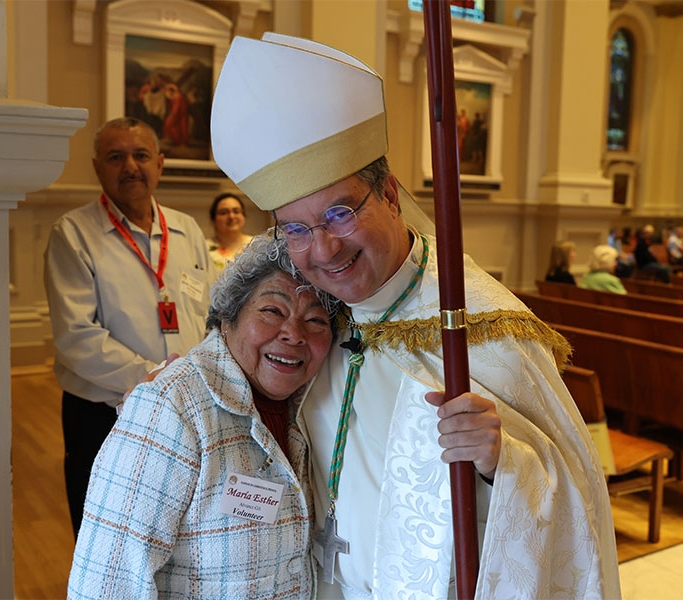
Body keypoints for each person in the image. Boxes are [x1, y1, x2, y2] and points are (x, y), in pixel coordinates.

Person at [210, 33, 620, 599]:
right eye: (297, 228)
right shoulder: (315, 314)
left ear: (391, 196)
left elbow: (574, 495)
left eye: (340, 211)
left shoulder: (481, 323)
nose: (324, 249)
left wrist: (501, 459)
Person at [68, 234, 338, 598]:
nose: (293, 333)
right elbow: (106, 581)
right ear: (228, 318)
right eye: (272, 311)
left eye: (317, 320)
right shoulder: (171, 408)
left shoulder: (312, 406)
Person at [44, 117, 216, 536]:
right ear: (97, 167)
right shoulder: (73, 234)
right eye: (115, 157)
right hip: (106, 414)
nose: (130, 167)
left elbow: (214, 310)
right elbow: (76, 336)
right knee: (106, 531)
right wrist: (152, 378)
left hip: (187, 402)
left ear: (159, 163)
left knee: (179, 522)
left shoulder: (187, 229)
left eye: (140, 156)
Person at [207, 192, 254, 273]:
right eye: (224, 212)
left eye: (236, 211)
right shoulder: (204, 248)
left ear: (243, 216)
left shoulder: (257, 245)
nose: (231, 217)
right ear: (213, 219)